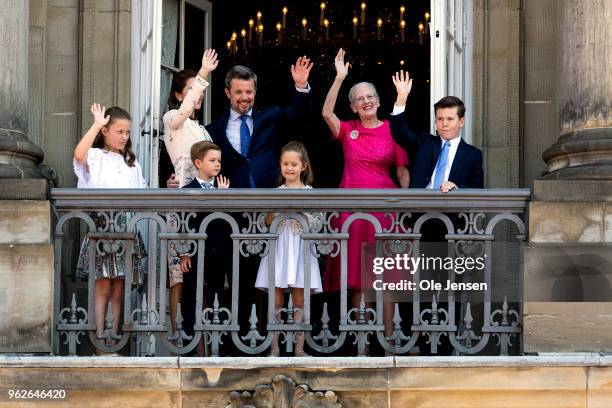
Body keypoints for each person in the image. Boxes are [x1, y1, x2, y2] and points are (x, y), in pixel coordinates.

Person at [321, 49, 410, 334]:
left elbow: (403, 172)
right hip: (353, 212)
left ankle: (389, 342)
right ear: (353, 107)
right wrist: (339, 78)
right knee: (358, 278)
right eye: (359, 99)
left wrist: (404, 207)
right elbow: (325, 112)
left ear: (379, 100)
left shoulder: (393, 130)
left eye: (370, 96)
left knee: (388, 279)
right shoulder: (348, 129)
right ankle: (362, 342)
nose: (366, 101)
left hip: (386, 212)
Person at [73, 103, 147, 344]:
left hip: (126, 226)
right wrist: (96, 124)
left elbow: (142, 192)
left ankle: (115, 335)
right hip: (103, 225)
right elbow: (79, 155)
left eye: (127, 132)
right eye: (119, 132)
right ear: (105, 131)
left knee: (119, 286)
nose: (125, 137)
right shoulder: (95, 156)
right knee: (103, 283)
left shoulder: (131, 162)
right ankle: (99, 336)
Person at [163, 49, 218, 331]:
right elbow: (184, 111)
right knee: (178, 275)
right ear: (177, 95)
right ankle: (175, 337)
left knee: (201, 272)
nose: (197, 97)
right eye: (190, 91)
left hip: (204, 202)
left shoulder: (203, 129)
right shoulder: (172, 118)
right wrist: (203, 74)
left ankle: (200, 337)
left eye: (198, 92)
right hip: (181, 203)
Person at [254, 141, 322, 357]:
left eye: (294, 164)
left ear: (303, 166)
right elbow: (266, 221)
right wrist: (278, 208)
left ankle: (299, 348)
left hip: (300, 248)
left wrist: (300, 212)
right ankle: (274, 347)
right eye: (285, 164)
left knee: (300, 300)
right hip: (280, 247)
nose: (289, 168)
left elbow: (318, 224)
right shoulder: (275, 192)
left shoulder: (311, 192)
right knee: (276, 300)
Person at [204, 57, 313, 188]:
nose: (244, 97)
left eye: (249, 92)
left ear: (255, 92)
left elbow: (300, 114)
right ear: (228, 93)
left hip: (269, 198)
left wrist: (301, 85)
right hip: (232, 200)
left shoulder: (271, 117)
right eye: (238, 92)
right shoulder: (213, 130)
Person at [177, 141, 230, 354]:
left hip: (218, 254)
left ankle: (217, 348)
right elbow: (182, 222)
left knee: (217, 298)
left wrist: (223, 196)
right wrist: (184, 252)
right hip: (196, 254)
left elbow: (226, 221)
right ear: (198, 163)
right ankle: (189, 348)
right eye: (212, 160)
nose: (217, 164)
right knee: (192, 299)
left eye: (219, 161)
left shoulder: (223, 188)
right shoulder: (187, 190)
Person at [389, 70, 483, 190]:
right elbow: (400, 133)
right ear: (435, 121)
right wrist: (401, 98)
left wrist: (457, 187)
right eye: (440, 119)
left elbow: (477, 188)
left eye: (450, 119)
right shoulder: (424, 143)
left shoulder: (473, 154)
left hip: (452, 207)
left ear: (461, 121)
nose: (444, 124)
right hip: (420, 207)